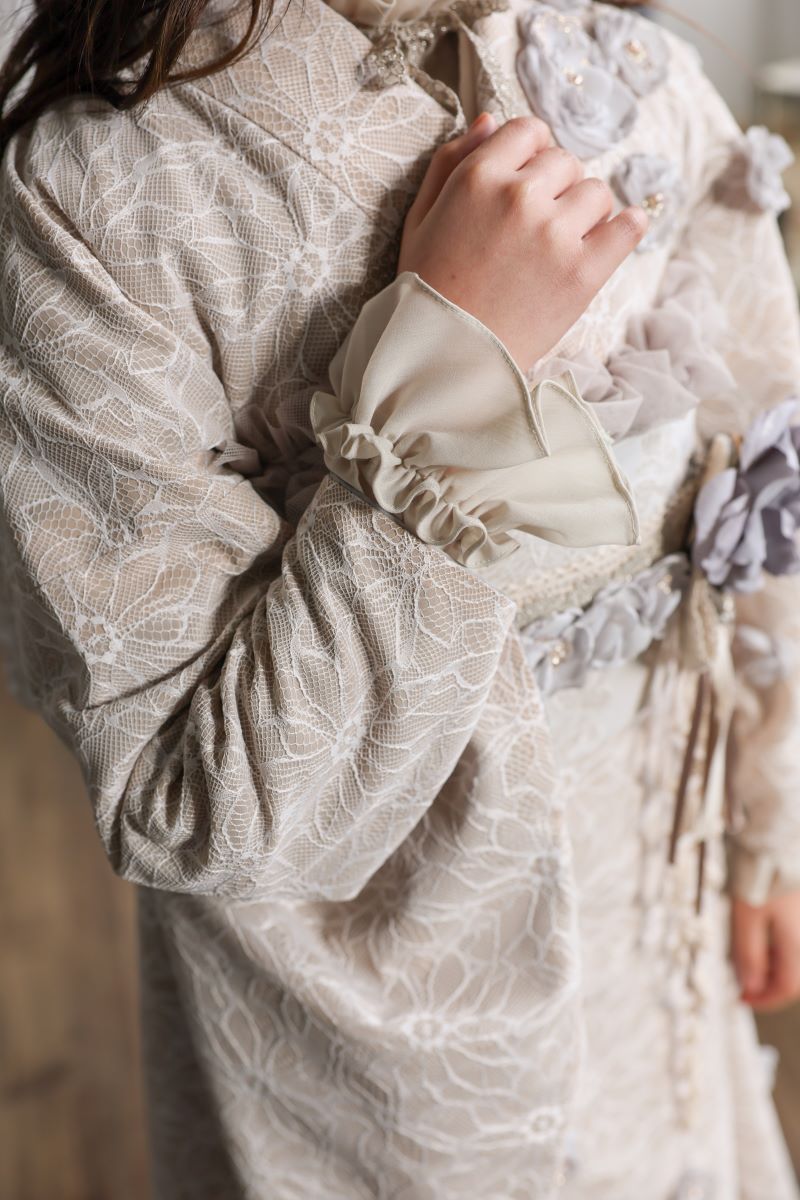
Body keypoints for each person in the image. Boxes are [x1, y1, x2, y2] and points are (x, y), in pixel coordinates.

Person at [0, 0, 799, 1195]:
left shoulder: (644, 88)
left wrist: (767, 825)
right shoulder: (103, 189)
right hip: (369, 1045)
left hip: (649, 916)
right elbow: (185, 800)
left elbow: (761, 488)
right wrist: (451, 364)